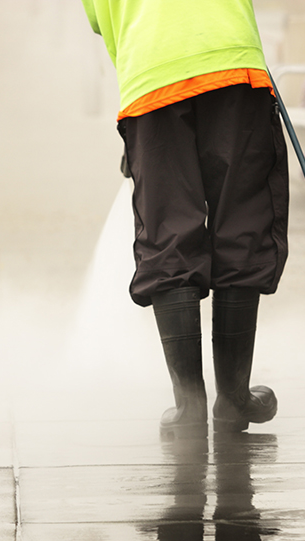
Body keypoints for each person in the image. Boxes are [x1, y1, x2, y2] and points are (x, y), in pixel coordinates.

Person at [82, 0, 289, 436]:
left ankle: (188, 406)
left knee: (169, 230)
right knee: (244, 222)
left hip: (150, 77)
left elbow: (103, 20)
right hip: (231, 65)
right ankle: (234, 397)